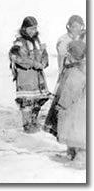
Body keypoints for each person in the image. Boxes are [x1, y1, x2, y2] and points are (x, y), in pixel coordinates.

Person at [44, 40, 86, 169]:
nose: (67, 54)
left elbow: (71, 90)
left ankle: (82, 157)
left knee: (77, 133)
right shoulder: (74, 67)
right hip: (74, 107)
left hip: (76, 108)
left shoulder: (78, 71)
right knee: (71, 132)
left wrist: (63, 104)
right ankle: (71, 153)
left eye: (70, 51)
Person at [8, 16, 50, 133]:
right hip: (25, 78)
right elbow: (18, 58)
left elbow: (43, 55)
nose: (33, 31)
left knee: (39, 100)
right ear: (24, 29)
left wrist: (43, 62)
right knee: (27, 102)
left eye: (35, 29)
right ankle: (27, 126)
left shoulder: (37, 42)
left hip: (38, 78)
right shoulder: (19, 43)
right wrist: (33, 63)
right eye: (30, 29)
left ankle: (34, 122)